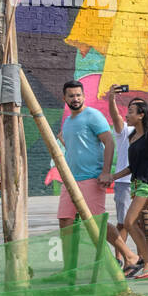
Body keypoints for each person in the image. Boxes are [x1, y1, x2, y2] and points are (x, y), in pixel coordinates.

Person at [55, 80, 115, 268]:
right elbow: (76, 148)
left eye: (78, 95)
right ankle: (69, 268)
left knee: (96, 224)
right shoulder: (68, 122)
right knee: (65, 221)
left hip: (92, 178)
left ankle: (128, 256)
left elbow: (109, 142)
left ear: (83, 96)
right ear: (64, 98)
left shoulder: (93, 115)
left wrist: (106, 172)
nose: (75, 99)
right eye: (71, 96)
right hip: (71, 180)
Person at [113, 98, 148, 279]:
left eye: (130, 112)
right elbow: (132, 167)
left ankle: (147, 261)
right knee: (146, 228)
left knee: (129, 222)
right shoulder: (132, 137)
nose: (127, 115)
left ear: (141, 115)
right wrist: (112, 177)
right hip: (136, 184)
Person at [106, 91, 140, 263]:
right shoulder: (124, 131)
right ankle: (122, 258)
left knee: (140, 223)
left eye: (134, 110)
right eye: (129, 110)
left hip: (142, 184)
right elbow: (115, 116)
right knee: (123, 222)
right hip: (124, 183)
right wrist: (111, 99)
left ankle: (144, 258)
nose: (128, 114)